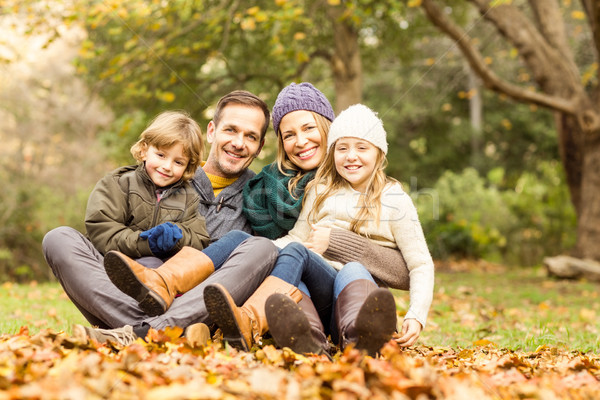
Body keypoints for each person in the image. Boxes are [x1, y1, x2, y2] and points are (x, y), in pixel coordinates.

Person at [42, 90, 278, 345]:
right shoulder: (163, 177)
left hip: (195, 305)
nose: (239, 143)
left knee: (263, 248)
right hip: (130, 291)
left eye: (251, 136)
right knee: (59, 238)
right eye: (231, 130)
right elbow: (106, 232)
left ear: (260, 146)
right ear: (212, 131)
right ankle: (152, 331)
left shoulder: (261, 196)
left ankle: (139, 332)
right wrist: (146, 243)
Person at [203, 86, 414, 354]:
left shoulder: (360, 179)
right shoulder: (264, 191)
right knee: (291, 266)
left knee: (349, 269)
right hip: (302, 294)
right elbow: (268, 256)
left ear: (329, 129)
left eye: (309, 128)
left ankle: (359, 335)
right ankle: (307, 340)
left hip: (351, 296)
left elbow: (407, 270)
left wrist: (338, 241)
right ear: (281, 142)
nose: (300, 141)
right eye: (289, 134)